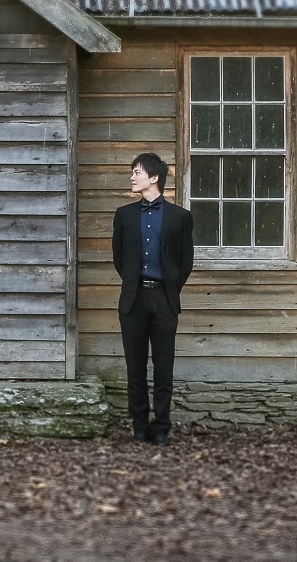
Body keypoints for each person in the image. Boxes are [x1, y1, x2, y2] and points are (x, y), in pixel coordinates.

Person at [112, 151, 194, 445]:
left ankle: (161, 427)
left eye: (137, 172)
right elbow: (119, 259)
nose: (132, 177)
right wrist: (135, 284)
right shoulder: (124, 215)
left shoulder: (180, 217)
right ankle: (139, 426)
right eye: (132, 172)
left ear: (154, 178)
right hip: (133, 301)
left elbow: (186, 263)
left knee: (163, 368)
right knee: (135, 368)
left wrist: (169, 289)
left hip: (164, 301)